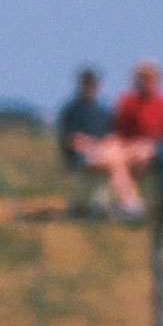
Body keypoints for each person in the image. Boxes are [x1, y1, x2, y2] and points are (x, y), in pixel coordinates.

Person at [104, 60, 163, 217]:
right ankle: (129, 202)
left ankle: (128, 202)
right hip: (128, 147)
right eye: (142, 78)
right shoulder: (128, 101)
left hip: (154, 149)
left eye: (150, 78)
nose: (146, 82)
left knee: (136, 155)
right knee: (113, 158)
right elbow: (118, 128)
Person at [55, 66, 113, 215]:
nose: (90, 87)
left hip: (102, 155)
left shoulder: (103, 111)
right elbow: (67, 138)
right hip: (78, 157)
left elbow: (111, 135)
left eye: (92, 83)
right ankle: (83, 207)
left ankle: (99, 207)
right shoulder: (71, 109)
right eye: (87, 83)